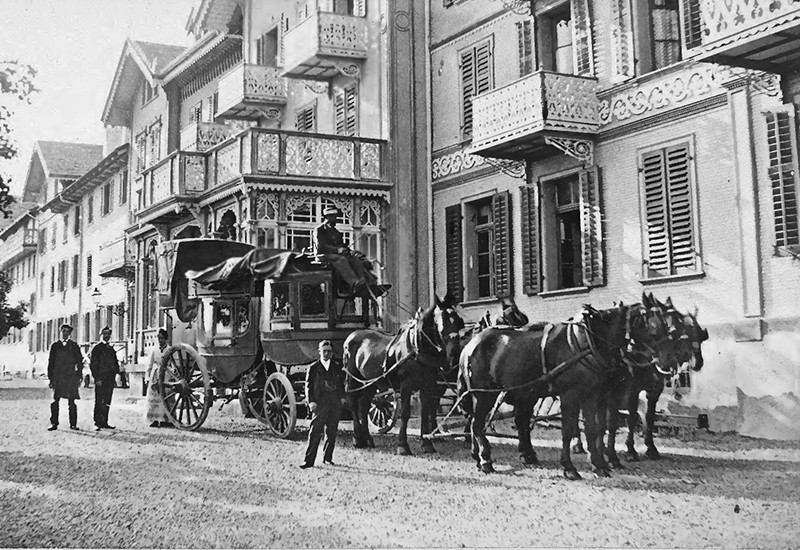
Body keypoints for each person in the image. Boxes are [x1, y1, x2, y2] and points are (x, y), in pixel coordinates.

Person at [314, 206, 385, 298]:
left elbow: (342, 245)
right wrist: (337, 250)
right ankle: (353, 282)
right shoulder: (319, 230)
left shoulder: (336, 232)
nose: (336, 218)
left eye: (336, 216)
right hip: (323, 255)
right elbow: (321, 246)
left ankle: (365, 282)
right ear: (327, 217)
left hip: (335, 254)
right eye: (334, 216)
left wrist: (350, 251)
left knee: (354, 258)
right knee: (341, 259)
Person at [300, 340, 347, 469]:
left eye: (329, 351)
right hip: (320, 404)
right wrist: (311, 402)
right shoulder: (313, 368)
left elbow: (341, 384)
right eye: (324, 351)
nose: (326, 353)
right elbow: (308, 386)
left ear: (332, 353)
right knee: (315, 432)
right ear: (319, 352)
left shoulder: (336, 367)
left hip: (334, 403)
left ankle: (327, 458)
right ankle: (308, 461)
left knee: (331, 432)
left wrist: (342, 397)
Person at [47, 324, 84, 431]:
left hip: (70, 377)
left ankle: (73, 424)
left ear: (70, 333)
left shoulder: (74, 346)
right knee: (55, 400)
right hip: (58, 377)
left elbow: (79, 362)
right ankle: (54, 423)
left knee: (71, 401)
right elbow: (51, 363)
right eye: (63, 331)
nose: (65, 333)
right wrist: (50, 378)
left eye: (67, 332)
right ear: (60, 332)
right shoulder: (55, 346)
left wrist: (79, 376)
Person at [90, 326, 120, 431]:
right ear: (101, 335)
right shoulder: (97, 348)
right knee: (99, 400)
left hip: (109, 379)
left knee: (107, 400)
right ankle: (97, 422)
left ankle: (104, 421)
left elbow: (115, 364)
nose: (106, 336)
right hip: (100, 379)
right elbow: (93, 365)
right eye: (105, 334)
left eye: (108, 334)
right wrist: (97, 378)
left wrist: (115, 376)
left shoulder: (111, 349)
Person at [146, 329, 170, 428]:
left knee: (165, 395)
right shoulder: (154, 350)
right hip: (155, 374)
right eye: (159, 338)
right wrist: (147, 376)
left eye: (162, 338)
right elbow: (150, 364)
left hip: (166, 373)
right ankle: (154, 419)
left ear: (166, 339)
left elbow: (173, 363)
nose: (160, 340)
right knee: (154, 395)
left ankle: (165, 419)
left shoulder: (169, 349)